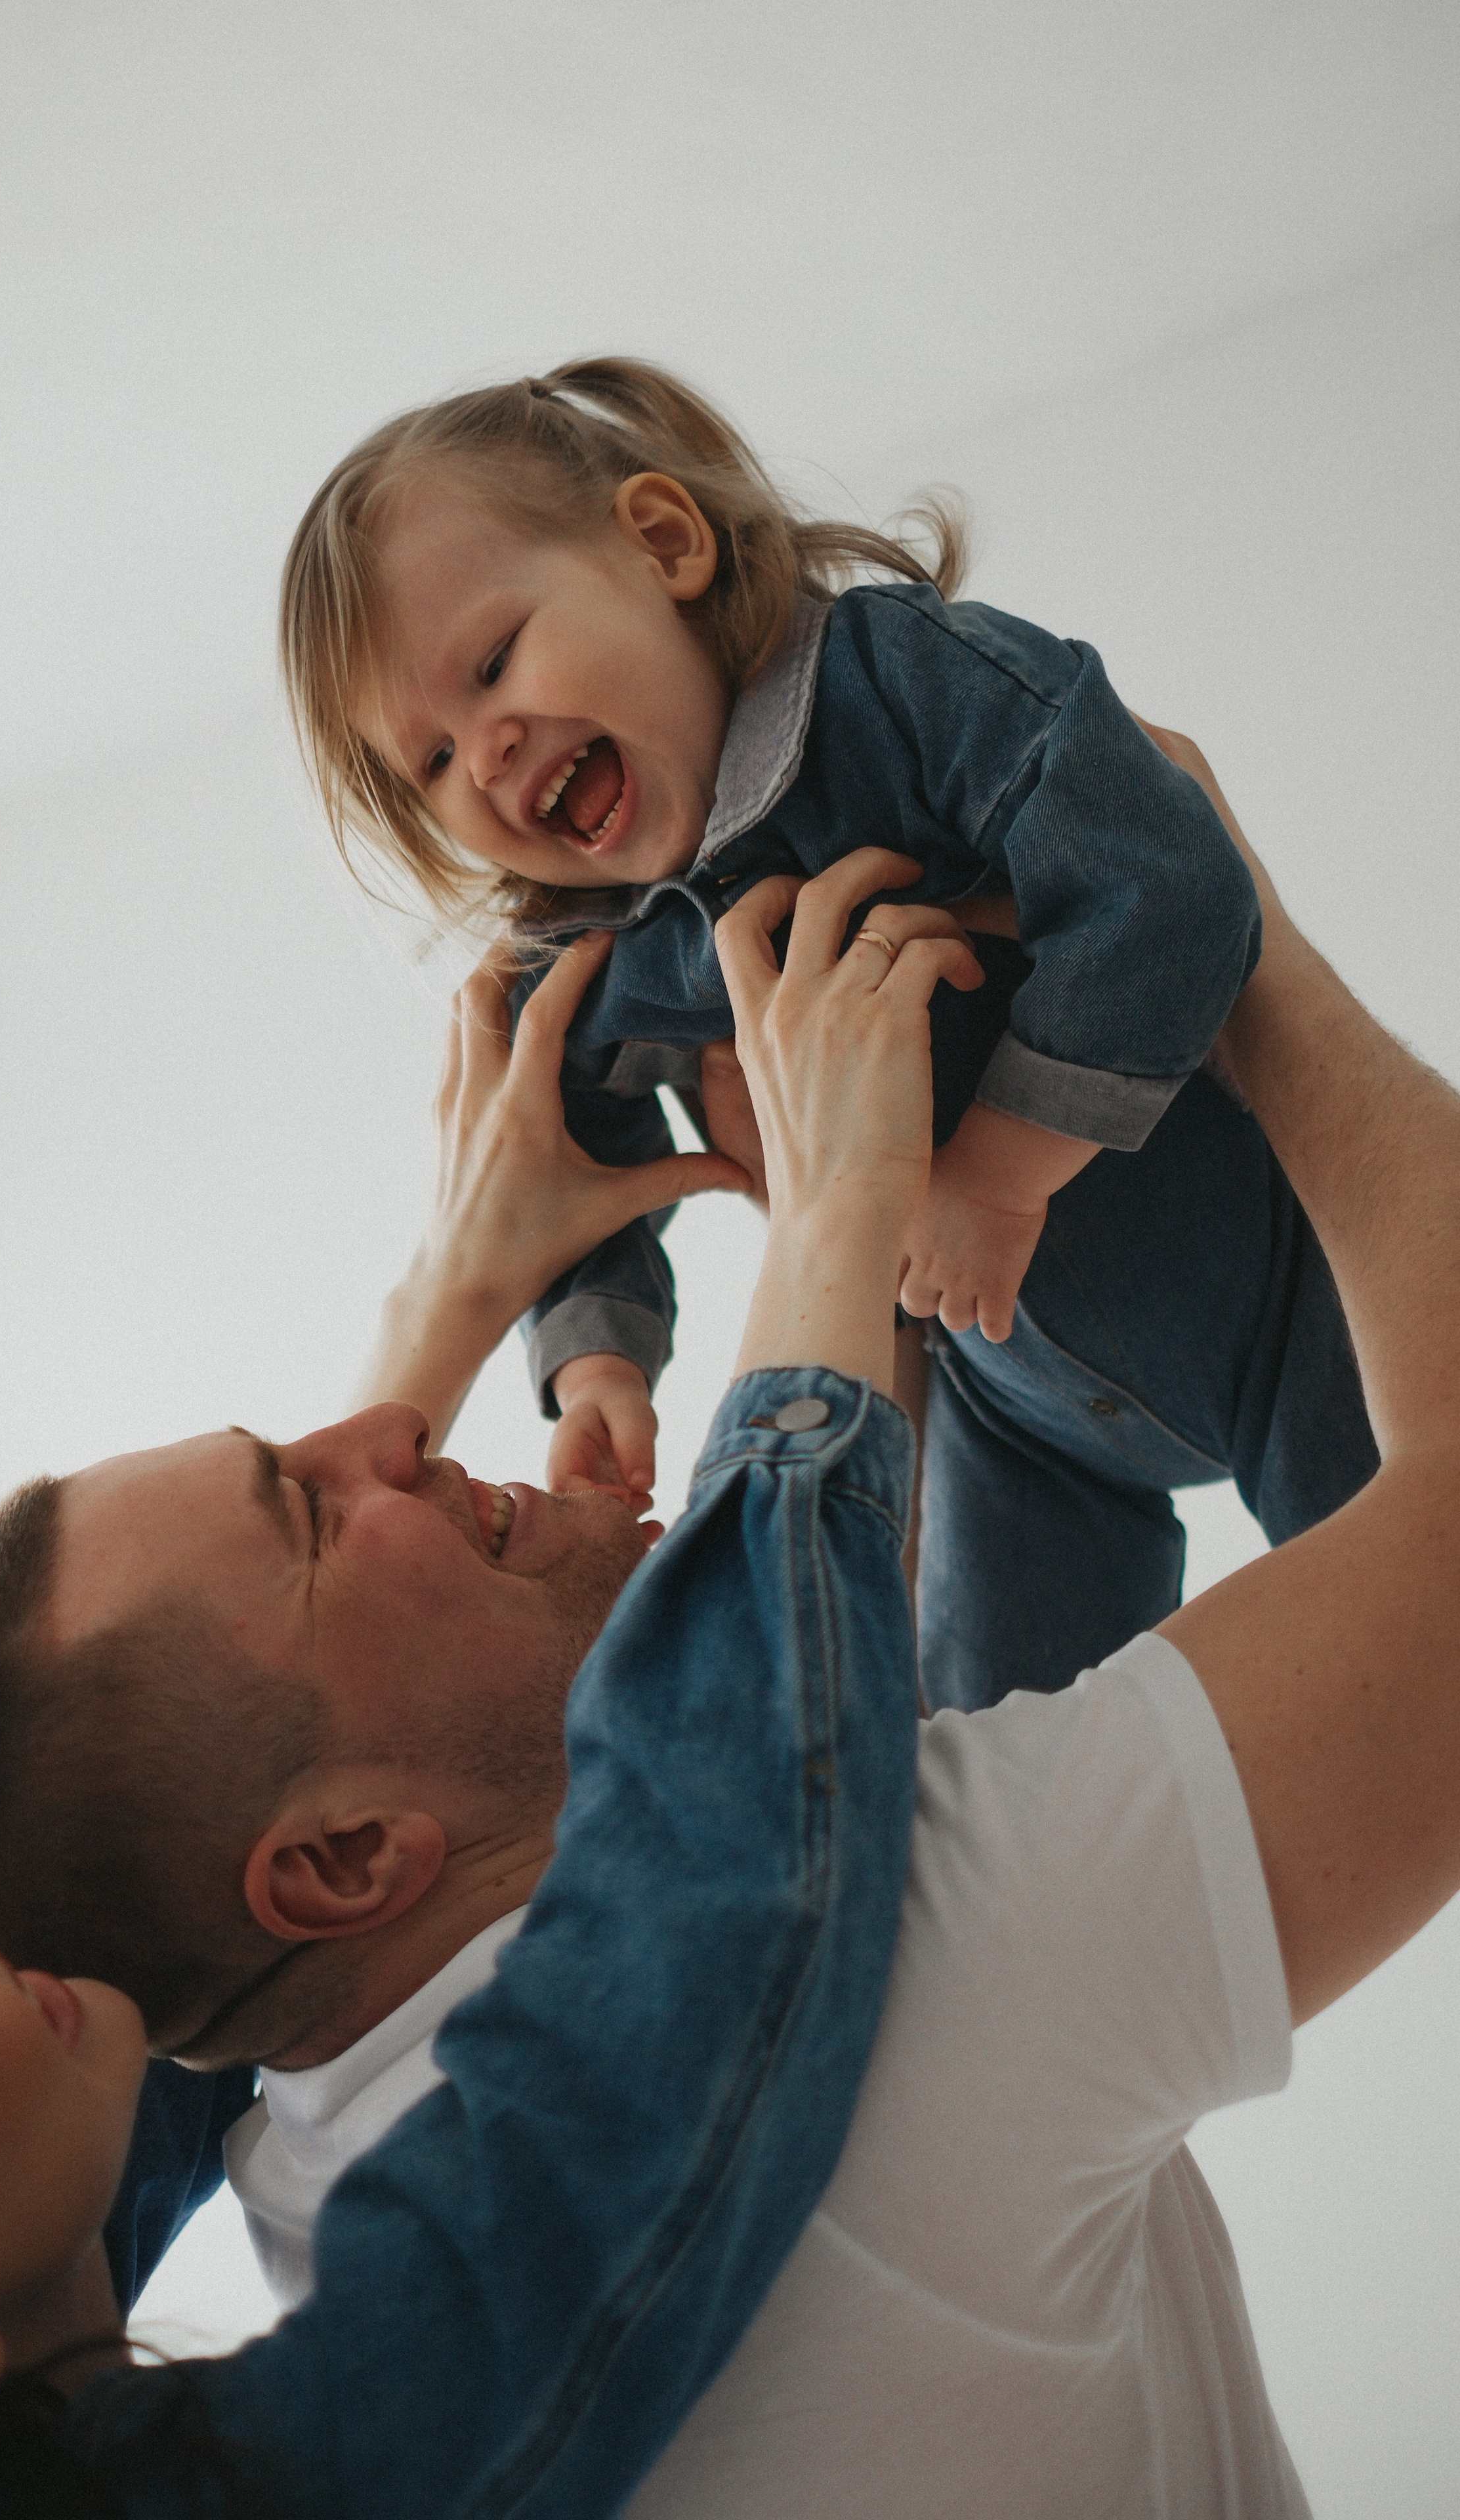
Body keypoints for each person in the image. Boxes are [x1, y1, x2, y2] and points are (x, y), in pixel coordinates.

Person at [0, 755, 1460, 2515]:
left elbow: (175, 1867)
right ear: (342, 1862)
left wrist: (469, 1293)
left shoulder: (284, 2106)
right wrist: (1244, 951)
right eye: (309, 1508)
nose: (389, 1437)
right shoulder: (935, 1932)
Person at [0, 864, 971, 2515]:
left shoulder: (2, 2276)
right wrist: (840, 1203)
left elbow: (169, 1908)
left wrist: (455, 1294)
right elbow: (700, 1940)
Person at [278, 356, 1379, 1708]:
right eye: (431, 761)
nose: (487, 750)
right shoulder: (600, 945)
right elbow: (565, 1153)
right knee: (967, 1749)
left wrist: (995, 1170)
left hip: (1257, 1282)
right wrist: (598, 1368)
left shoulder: (889, 687)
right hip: (1008, 1409)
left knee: (1405, 1614)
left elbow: (1159, 869)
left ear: (663, 545)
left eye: (494, 662)